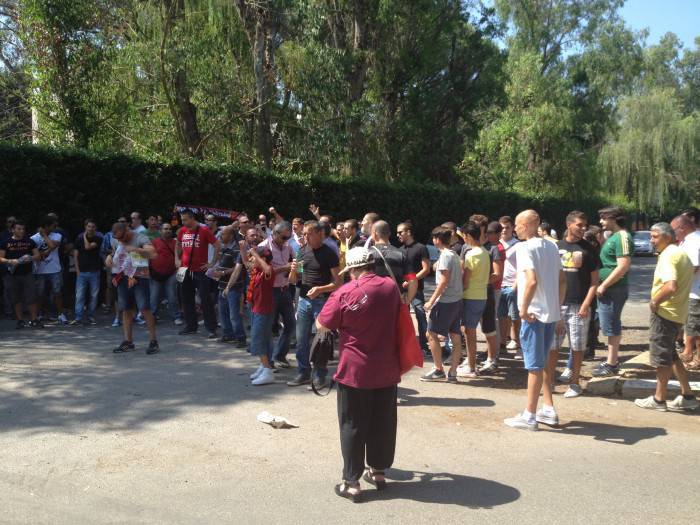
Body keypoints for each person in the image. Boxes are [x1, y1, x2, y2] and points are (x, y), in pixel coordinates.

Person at [316, 247, 402, 502]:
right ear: (372, 265)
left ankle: (351, 481)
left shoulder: (345, 291)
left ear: (352, 269)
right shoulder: (389, 287)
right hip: (387, 367)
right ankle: (378, 472)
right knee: (382, 422)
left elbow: (323, 323)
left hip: (355, 369)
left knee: (352, 424)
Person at [504, 210, 566, 431]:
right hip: (549, 313)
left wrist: (523, 309)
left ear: (528, 225)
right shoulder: (552, 246)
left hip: (534, 314)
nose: (515, 229)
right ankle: (548, 408)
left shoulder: (525, 248)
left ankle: (529, 415)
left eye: (518, 225)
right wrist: (557, 308)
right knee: (542, 363)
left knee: (534, 366)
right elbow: (561, 280)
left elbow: (530, 281)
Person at [635, 223, 698, 411]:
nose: (651, 241)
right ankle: (688, 395)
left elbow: (671, 286)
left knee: (661, 358)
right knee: (671, 356)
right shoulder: (680, 254)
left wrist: (655, 302)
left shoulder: (669, 255)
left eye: (654, 237)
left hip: (665, 314)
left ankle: (659, 399)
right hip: (677, 313)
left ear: (668, 237)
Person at [287, 220, 341, 388]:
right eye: (304, 233)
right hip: (303, 300)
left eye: (309, 233)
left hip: (322, 302)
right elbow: (294, 280)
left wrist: (320, 289)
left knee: (321, 340)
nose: (305, 237)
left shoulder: (329, 254)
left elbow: (338, 282)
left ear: (320, 234)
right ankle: (303, 372)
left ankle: (320, 375)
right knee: (301, 339)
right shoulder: (302, 252)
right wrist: (293, 270)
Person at [551, 211, 600, 398]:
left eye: (584, 225)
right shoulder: (556, 247)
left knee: (577, 346)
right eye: (579, 225)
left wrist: (586, 304)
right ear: (569, 224)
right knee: (552, 346)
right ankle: (549, 381)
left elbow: (595, 281)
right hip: (557, 304)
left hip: (579, 305)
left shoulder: (589, 249)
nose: (583, 228)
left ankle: (574, 383)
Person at [106, 222, 160, 355]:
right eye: (117, 239)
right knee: (126, 309)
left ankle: (153, 341)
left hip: (140, 276)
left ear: (127, 230)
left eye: (122, 238)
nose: (120, 241)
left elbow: (153, 254)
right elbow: (116, 254)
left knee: (144, 308)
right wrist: (109, 257)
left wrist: (137, 250)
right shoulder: (118, 240)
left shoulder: (140, 238)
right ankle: (128, 341)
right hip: (123, 277)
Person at [592, 206, 633, 377]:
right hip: (610, 288)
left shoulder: (622, 237)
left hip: (613, 289)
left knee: (611, 325)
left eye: (604, 218)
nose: (601, 221)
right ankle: (611, 361)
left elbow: (623, 266)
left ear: (614, 218)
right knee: (609, 324)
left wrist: (604, 285)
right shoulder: (614, 237)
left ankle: (612, 363)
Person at [421, 226, 464, 382]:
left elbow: (444, 281)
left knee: (430, 334)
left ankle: (438, 369)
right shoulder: (452, 255)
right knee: (455, 335)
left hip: (446, 301)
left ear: (437, 240)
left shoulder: (446, 256)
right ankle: (452, 373)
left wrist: (431, 301)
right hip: (456, 300)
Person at [175, 209, 221, 338]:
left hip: (200, 270)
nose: (183, 222)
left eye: (185, 219)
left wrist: (212, 263)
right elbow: (178, 244)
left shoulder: (204, 230)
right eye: (182, 220)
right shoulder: (182, 231)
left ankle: (211, 328)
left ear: (192, 218)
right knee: (185, 298)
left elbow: (218, 245)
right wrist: (176, 259)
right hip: (183, 270)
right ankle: (190, 326)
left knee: (205, 299)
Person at [258, 222, 296, 366]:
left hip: (285, 290)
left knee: (291, 325)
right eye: (284, 237)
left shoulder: (288, 245)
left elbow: (296, 262)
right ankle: (267, 363)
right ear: (274, 233)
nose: (286, 240)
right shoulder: (263, 247)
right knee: (268, 328)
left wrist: (298, 272)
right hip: (270, 292)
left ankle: (279, 355)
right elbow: (262, 273)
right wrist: (283, 268)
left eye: (289, 237)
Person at [457, 222, 489, 378]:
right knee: (469, 332)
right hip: (481, 296)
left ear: (469, 236)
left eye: (464, 236)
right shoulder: (484, 251)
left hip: (471, 297)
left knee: (469, 333)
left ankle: (471, 367)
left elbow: (465, 280)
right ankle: (470, 364)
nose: (463, 239)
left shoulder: (472, 254)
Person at [671, 215, 700, 370]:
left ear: (682, 228)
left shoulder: (693, 241)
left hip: (695, 291)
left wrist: (676, 280)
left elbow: (694, 266)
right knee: (692, 325)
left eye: (673, 230)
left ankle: (697, 359)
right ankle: (692, 354)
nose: (673, 233)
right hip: (693, 289)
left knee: (695, 327)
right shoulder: (693, 239)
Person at [0, 220, 41, 328]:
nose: (21, 231)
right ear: (13, 230)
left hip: (27, 273)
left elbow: (38, 256)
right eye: (19, 229)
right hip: (12, 275)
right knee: (16, 298)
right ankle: (20, 320)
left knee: (32, 297)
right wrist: (10, 261)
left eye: (23, 229)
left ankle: (34, 320)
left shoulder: (30, 241)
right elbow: (1, 258)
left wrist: (31, 258)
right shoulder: (6, 242)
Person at [223, 225, 259, 348]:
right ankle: (250, 341)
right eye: (252, 235)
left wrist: (244, 251)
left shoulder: (263, 248)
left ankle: (259, 345)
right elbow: (237, 270)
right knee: (253, 315)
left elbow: (250, 266)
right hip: (251, 288)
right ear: (246, 237)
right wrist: (228, 287)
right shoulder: (244, 250)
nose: (255, 237)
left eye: (256, 235)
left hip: (265, 288)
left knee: (258, 317)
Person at [398, 221, 431, 354]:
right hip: (402, 291)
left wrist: (411, 281)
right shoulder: (399, 250)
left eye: (400, 232)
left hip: (417, 290)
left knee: (420, 316)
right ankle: (404, 345)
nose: (398, 235)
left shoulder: (421, 248)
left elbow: (426, 269)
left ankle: (424, 346)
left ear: (409, 232)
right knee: (403, 318)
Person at [246, 246, 277, 386]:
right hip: (256, 308)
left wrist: (255, 255)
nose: (252, 259)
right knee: (260, 338)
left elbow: (268, 270)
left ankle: (268, 371)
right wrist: (243, 250)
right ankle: (263, 366)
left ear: (262, 259)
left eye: (254, 257)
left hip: (263, 310)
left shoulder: (267, 270)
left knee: (258, 340)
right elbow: (246, 263)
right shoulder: (257, 270)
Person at [31, 215, 67, 324]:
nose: (55, 227)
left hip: (54, 269)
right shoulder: (33, 238)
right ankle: (38, 315)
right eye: (53, 225)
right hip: (39, 270)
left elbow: (52, 246)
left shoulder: (57, 235)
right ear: (47, 226)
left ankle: (61, 315)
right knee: (39, 293)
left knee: (57, 292)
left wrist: (44, 235)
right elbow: (35, 253)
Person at [370, 221, 417, 303]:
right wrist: (408, 300)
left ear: (374, 233)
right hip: (394, 303)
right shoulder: (400, 254)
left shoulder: (366, 254)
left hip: (372, 301)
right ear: (389, 234)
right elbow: (413, 279)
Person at [71, 219, 103, 326]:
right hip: (82, 272)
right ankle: (78, 317)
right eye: (89, 226)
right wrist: (77, 270)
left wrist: (84, 236)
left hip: (95, 271)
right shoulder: (78, 239)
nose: (91, 229)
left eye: (93, 227)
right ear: (85, 227)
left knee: (94, 295)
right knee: (79, 295)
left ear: (95, 228)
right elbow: (75, 255)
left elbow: (88, 247)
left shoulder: (98, 239)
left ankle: (90, 316)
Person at [149, 222, 183, 325]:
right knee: (154, 297)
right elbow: (148, 256)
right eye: (165, 229)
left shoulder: (176, 243)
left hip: (171, 274)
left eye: (169, 229)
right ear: (160, 231)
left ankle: (176, 317)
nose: (168, 230)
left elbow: (181, 257)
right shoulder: (154, 242)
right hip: (156, 274)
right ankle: (152, 317)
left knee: (172, 297)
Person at [214, 225, 242, 342]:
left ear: (230, 236)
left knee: (234, 315)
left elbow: (238, 268)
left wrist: (223, 272)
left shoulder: (236, 249)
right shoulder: (223, 248)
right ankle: (228, 334)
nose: (221, 235)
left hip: (233, 287)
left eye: (224, 234)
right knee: (223, 312)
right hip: (222, 285)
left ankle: (240, 337)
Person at [498, 215, 521, 354]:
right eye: (501, 228)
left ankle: (515, 340)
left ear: (513, 228)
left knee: (514, 315)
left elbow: (522, 267)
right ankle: (502, 341)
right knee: (501, 315)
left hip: (513, 283)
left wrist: (516, 285)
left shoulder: (518, 245)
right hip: (499, 284)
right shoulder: (496, 244)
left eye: (507, 227)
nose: (504, 230)